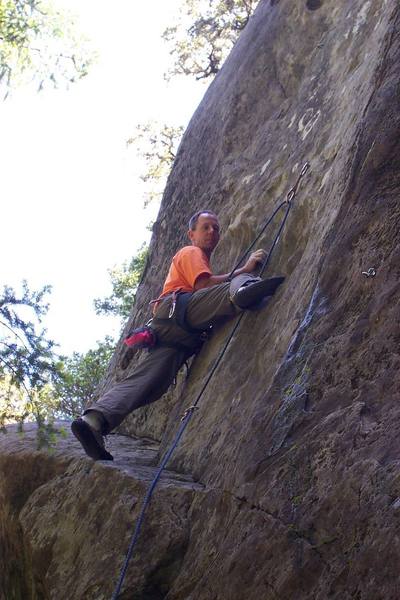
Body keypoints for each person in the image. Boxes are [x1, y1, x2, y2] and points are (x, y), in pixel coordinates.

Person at [71, 210, 284, 460]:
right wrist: (245, 269)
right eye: (205, 227)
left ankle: (94, 421)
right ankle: (244, 288)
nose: (212, 232)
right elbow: (203, 287)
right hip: (179, 311)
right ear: (191, 234)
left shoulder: (194, 257)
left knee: (149, 383)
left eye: (216, 228)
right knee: (241, 280)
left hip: (174, 335)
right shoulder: (190, 252)